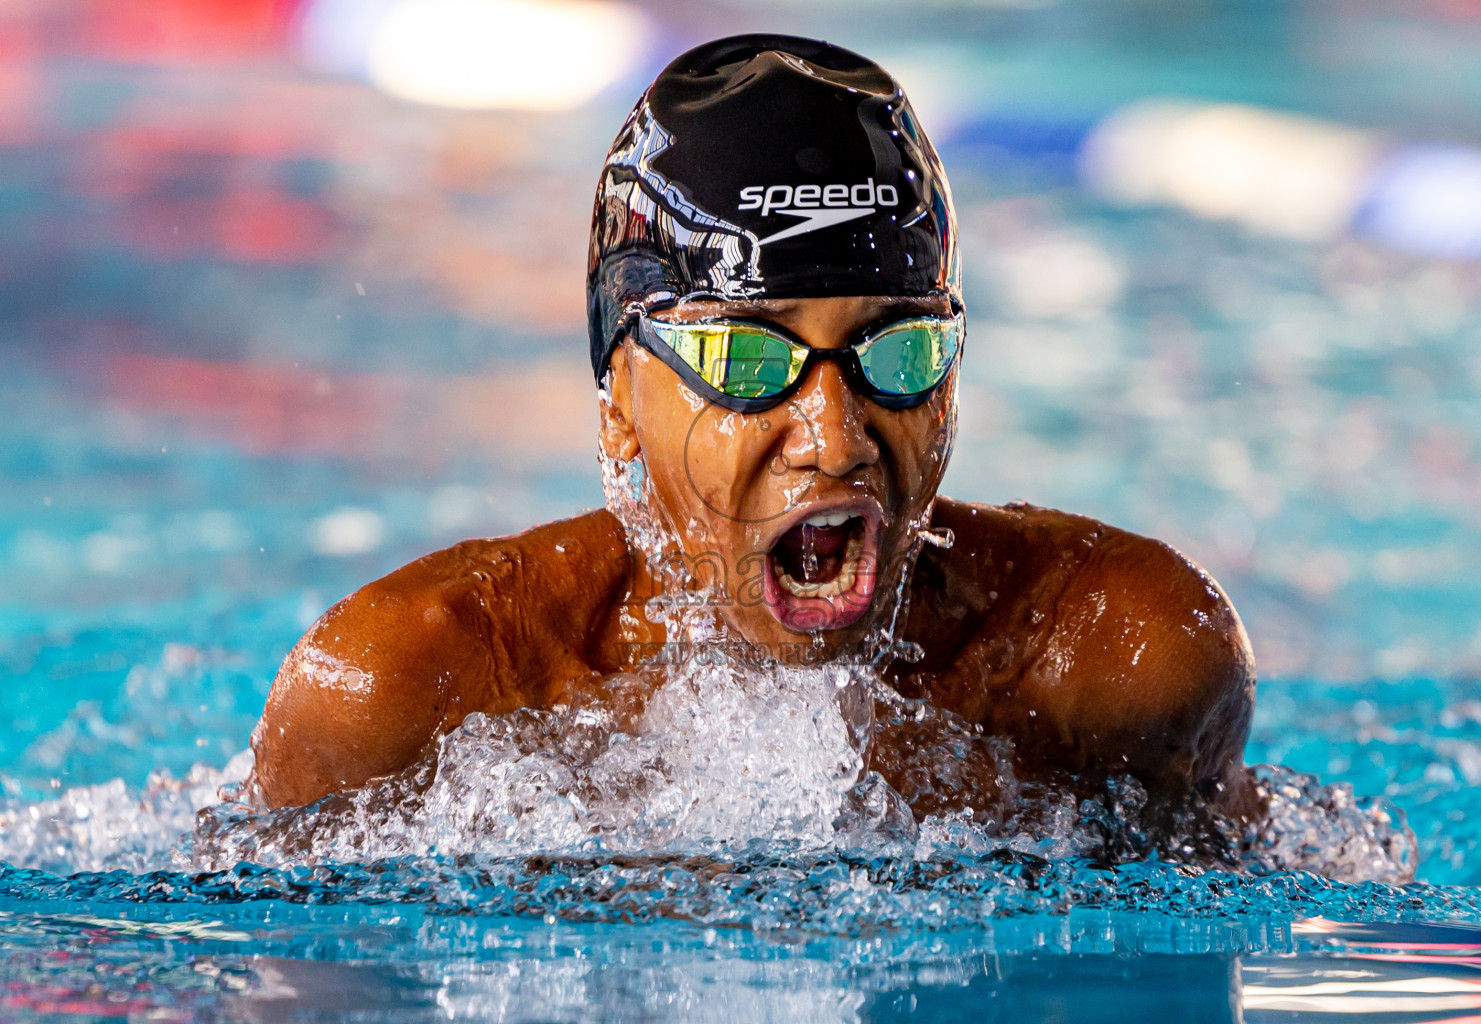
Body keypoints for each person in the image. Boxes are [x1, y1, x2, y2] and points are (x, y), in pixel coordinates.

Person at [250, 34, 1255, 818]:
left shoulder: (1112, 661)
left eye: (897, 352)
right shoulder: (411, 695)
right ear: (620, 403)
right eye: (747, 361)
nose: (836, 434)